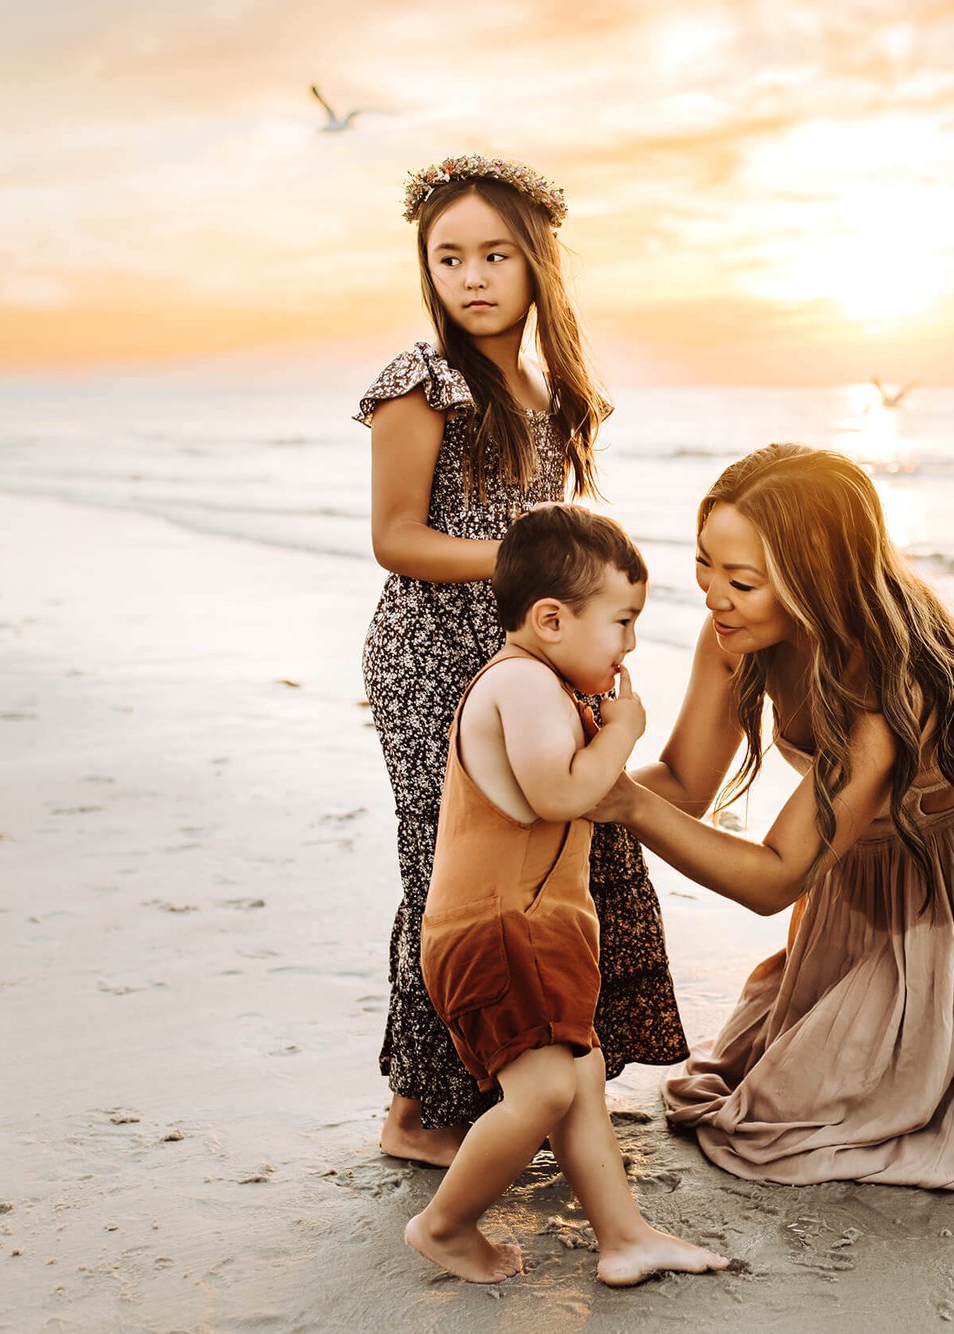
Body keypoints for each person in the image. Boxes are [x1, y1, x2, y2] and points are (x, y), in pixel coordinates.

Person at [590, 443, 954, 1193]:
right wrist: (570, 791)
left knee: (788, 1126)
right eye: (704, 564)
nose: (713, 595)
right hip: (855, 865)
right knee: (767, 1079)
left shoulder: (885, 682)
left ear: (814, 582)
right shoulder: (734, 637)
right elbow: (682, 782)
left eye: (742, 581)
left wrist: (625, 804)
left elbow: (776, 876)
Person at [356, 155, 686, 1166]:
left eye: (494, 253)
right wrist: (526, 561)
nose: (473, 276)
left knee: (564, 851)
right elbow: (397, 537)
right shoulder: (425, 382)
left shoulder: (548, 391)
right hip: (432, 652)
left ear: (536, 262)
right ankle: (423, 1110)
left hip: (526, 647)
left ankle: (544, 1081)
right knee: (457, 871)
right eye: (448, 257)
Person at [405, 504, 728, 1286]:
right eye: (621, 622)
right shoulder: (520, 680)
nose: (630, 644)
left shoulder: (541, 683)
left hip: (538, 925)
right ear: (551, 619)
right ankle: (445, 1225)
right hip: (498, 927)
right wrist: (626, 730)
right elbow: (560, 793)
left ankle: (623, 1235)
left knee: (579, 1076)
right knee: (547, 1088)